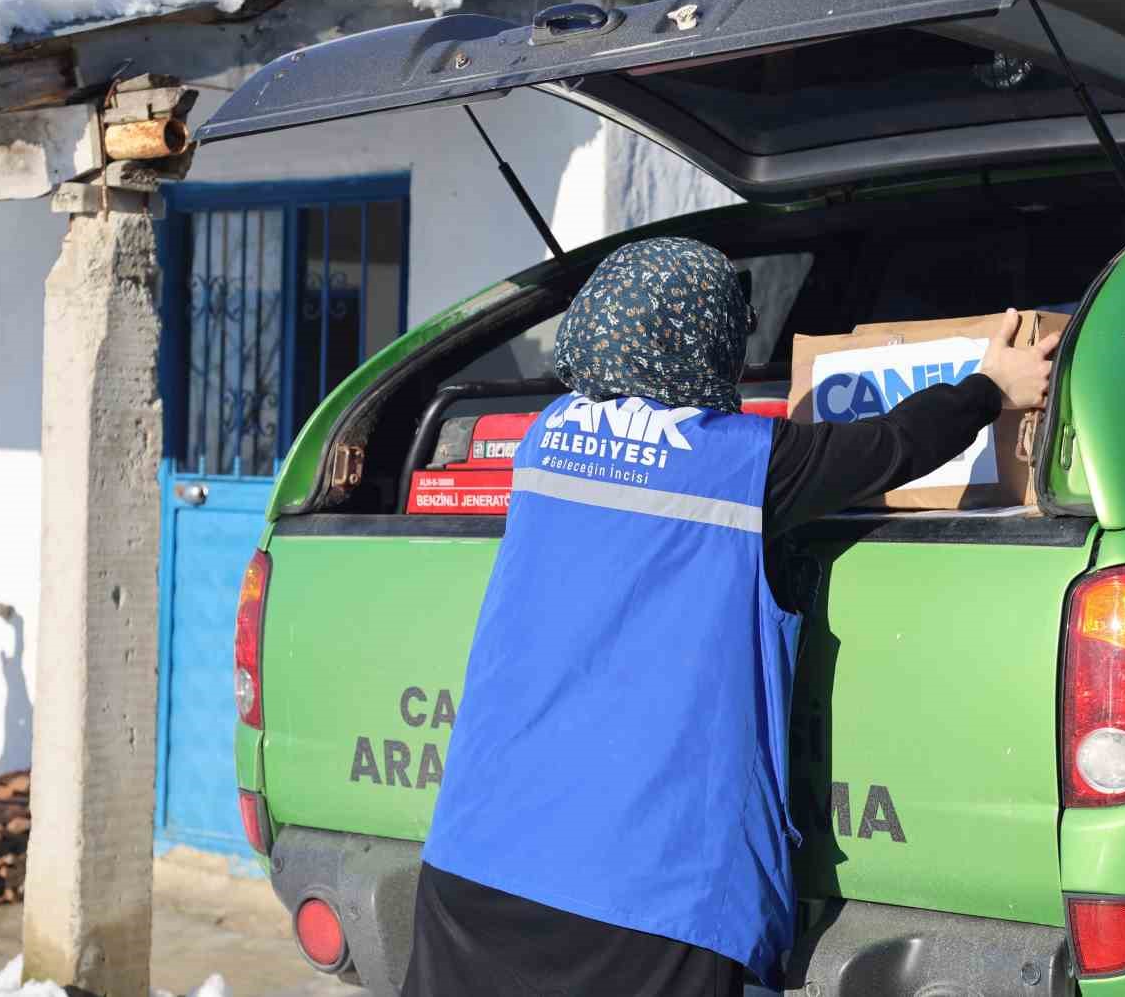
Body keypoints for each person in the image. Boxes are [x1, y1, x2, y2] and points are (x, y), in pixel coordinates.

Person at [402, 237, 1061, 997]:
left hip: (473, 862)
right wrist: (990, 384)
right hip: (643, 900)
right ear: (703, 341)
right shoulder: (743, 464)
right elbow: (894, 444)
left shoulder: (546, 438)